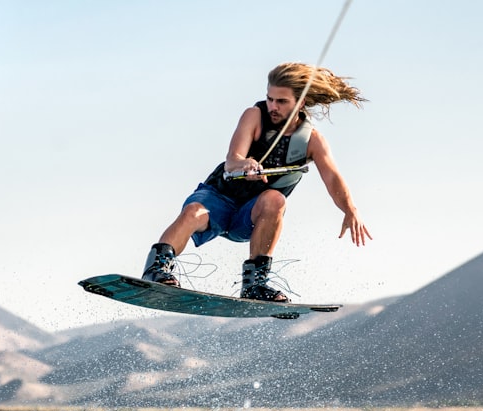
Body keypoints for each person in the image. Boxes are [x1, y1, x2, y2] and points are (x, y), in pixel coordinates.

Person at [142, 62, 371, 302]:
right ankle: (156, 270)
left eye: (281, 101)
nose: (273, 106)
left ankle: (256, 284)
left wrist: (350, 210)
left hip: (250, 216)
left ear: (300, 102)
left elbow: (333, 178)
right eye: (270, 98)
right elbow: (232, 159)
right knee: (193, 211)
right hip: (219, 198)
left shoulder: (313, 141)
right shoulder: (254, 116)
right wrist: (245, 164)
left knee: (275, 199)